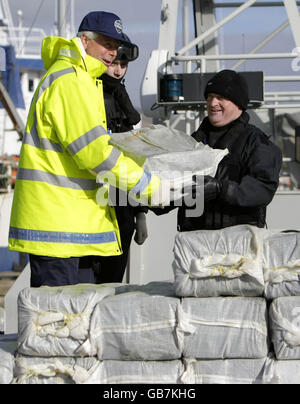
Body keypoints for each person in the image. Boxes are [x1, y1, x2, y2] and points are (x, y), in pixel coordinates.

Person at [8, 11, 169, 287]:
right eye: (106, 44)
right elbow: (96, 153)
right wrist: (149, 187)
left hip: (72, 228)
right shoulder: (70, 82)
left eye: (116, 46)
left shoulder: (81, 80)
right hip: (58, 230)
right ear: (84, 40)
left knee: (77, 320)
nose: (112, 53)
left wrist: (137, 210)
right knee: (58, 323)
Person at [159, 69, 282, 231]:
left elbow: (263, 188)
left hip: (239, 242)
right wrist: (152, 200)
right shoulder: (192, 142)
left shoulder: (256, 142)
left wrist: (221, 189)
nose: (212, 103)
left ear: (238, 103)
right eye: (209, 97)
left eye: (220, 98)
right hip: (194, 240)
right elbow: (174, 184)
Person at [95, 41, 148, 283]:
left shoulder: (122, 98)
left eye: (123, 65)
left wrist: (140, 213)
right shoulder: (87, 94)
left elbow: (134, 157)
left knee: (112, 282)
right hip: (94, 207)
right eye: (114, 63)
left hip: (122, 208)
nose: (118, 71)